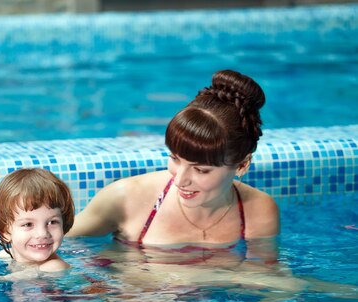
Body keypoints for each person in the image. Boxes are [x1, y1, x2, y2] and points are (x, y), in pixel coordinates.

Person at [67, 69, 279, 246]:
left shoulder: (258, 211)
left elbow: (266, 281)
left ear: (242, 165)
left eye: (201, 170)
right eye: (175, 159)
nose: (180, 180)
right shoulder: (126, 199)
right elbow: (55, 245)